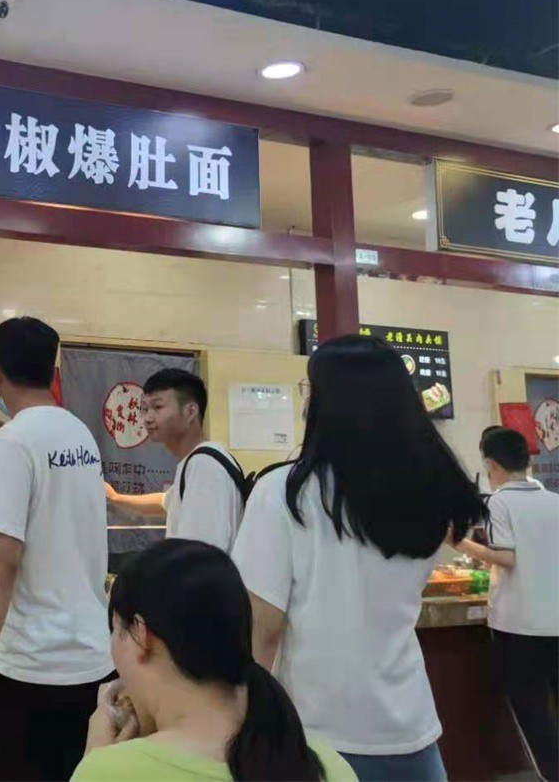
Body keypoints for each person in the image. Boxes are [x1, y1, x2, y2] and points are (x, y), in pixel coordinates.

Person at [231, 335, 483, 782]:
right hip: (412, 730)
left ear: (327, 401)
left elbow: (262, 629)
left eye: (309, 388)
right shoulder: (427, 491)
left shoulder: (284, 493)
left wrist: (243, 724)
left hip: (319, 738)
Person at [0, 317, 113, 782]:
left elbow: (2, 560)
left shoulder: (15, 440)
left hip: (35, 669)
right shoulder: (79, 433)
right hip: (93, 660)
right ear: (52, 371)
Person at [74, 539, 356, 782]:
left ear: (141, 634)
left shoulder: (108, 772)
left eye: (114, 629)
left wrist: (94, 755)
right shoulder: (329, 765)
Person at [451, 428, 558, 782]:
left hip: (519, 624)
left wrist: (459, 543)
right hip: (555, 621)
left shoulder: (499, 502)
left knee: (531, 712)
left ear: (491, 465)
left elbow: (506, 557)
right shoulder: (554, 500)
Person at [106, 368, 245, 552]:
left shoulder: (204, 467)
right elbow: (164, 501)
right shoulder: (197, 462)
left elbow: (201, 556)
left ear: (191, 411)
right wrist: (115, 497)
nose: (147, 418)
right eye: (145, 409)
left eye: (157, 407)